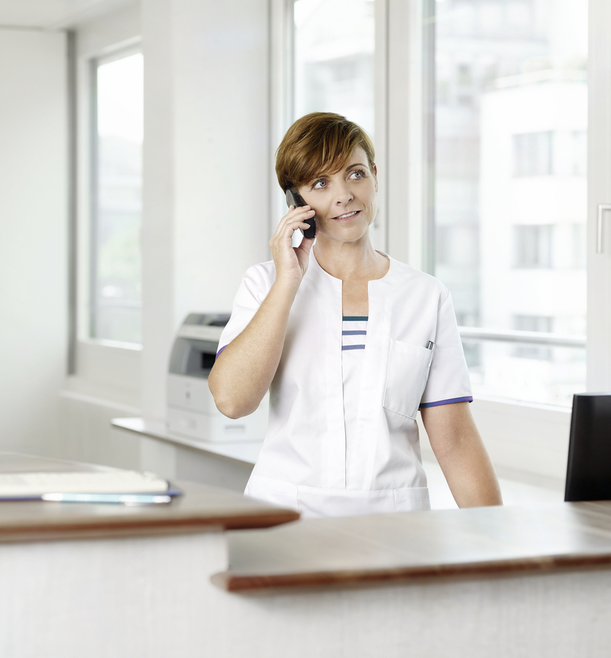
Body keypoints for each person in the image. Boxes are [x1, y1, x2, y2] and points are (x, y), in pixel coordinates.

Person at [209, 112, 502, 518]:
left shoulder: (425, 296)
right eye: (320, 184)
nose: (344, 195)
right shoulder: (265, 285)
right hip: (286, 516)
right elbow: (232, 401)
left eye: (356, 174)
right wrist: (287, 282)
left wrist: (499, 535)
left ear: (375, 177)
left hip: (396, 520)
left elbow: (455, 440)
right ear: (297, 202)